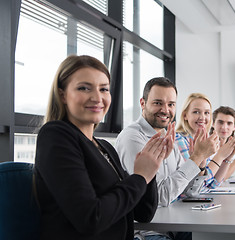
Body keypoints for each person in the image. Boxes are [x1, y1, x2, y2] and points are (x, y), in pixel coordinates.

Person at [34, 55, 169, 240]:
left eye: (104, 89)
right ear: (63, 94)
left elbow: (143, 213)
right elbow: (91, 219)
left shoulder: (104, 147)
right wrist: (139, 177)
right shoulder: (55, 136)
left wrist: (151, 169)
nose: (97, 98)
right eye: (84, 88)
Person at [115, 78, 217, 240]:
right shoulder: (132, 138)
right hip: (147, 232)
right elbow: (160, 198)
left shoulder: (166, 135)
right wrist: (196, 157)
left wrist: (201, 163)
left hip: (173, 226)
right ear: (143, 103)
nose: (165, 110)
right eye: (157, 103)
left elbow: (189, 193)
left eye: (171, 104)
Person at [175, 94, 235, 188]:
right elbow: (198, 185)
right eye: (196, 112)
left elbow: (213, 184)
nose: (202, 117)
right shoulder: (178, 140)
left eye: (206, 113)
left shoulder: (204, 141)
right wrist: (220, 156)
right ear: (185, 115)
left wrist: (227, 159)